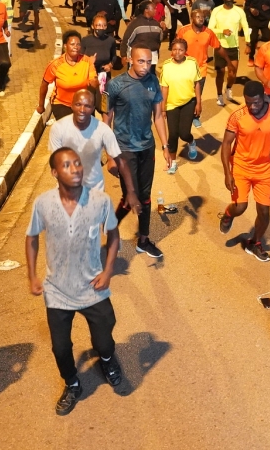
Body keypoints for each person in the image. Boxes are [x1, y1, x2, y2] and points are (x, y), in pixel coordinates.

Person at [26, 147, 123, 416]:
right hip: (57, 290)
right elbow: (31, 238)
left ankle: (106, 359)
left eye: (78, 163)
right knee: (60, 347)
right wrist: (32, 275)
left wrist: (108, 271)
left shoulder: (100, 201)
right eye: (67, 165)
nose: (76, 169)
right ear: (55, 173)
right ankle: (72, 383)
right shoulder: (43, 204)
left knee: (104, 341)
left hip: (93, 288)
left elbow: (114, 237)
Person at [219, 81, 270, 262]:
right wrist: (227, 173)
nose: (252, 106)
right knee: (240, 207)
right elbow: (226, 144)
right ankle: (228, 214)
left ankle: (254, 243)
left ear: (263, 97)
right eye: (248, 102)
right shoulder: (237, 116)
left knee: (264, 213)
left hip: (264, 169)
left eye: (256, 102)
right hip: (240, 166)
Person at [107, 47, 173, 259]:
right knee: (130, 195)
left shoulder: (153, 81)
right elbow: (106, 120)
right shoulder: (115, 85)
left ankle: (143, 240)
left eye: (148, 62)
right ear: (129, 60)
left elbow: (159, 117)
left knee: (145, 196)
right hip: (124, 149)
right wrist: (109, 156)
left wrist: (165, 146)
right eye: (141, 62)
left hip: (147, 147)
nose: (145, 66)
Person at [48, 89, 139, 211]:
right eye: (78, 104)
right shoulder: (58, 128)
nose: (82, 110)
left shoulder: (103, 130)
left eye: (87, 106)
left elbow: (121, 161)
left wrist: (131, 192)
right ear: (71, 105)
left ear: (92, 109)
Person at [158, 38, 204, 172]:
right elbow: (164, 88)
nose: (177, 52)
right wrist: (163, 108)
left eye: (181, 50)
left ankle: (191, 142)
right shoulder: (166, 66)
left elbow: (197, 83)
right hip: (172, 104)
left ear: (185, 51)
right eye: (174, 49)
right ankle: (172, 162)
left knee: (184, 133)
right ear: (171, 51)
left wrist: (198, 103)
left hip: (188, 102)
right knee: (173, 134)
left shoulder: (192, 63)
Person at [176, 8, 221, 125]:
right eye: (198, 17)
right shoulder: (183, 31)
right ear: (192, 18)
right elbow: (176, 48)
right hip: (184, 68)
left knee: (197, 95)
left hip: (201, 69)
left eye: (202, 17)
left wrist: (228, 60)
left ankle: (195, 116)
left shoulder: (208, 32)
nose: (201, 19)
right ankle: (182, 113)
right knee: (184, 93)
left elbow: (218, 46)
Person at [208, 0, 250, 105]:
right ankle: (219, 95)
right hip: (219, 46)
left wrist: (248, 43)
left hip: (233, 46)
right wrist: (222, 31)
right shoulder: (216, 10)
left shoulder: (239, 11)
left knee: (233, 73)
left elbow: (246, 27)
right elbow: (210, 28)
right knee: (220, 73)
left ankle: (229, 88)